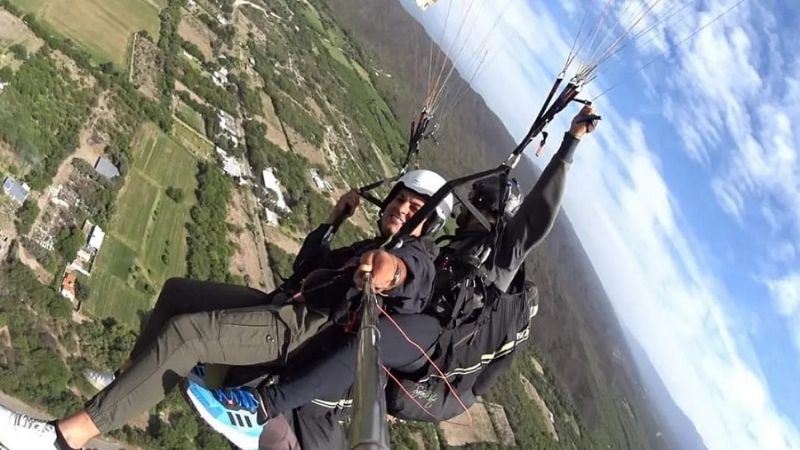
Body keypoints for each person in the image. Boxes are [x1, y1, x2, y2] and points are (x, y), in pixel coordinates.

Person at [185, 105, 600, 449]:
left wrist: (569, 144)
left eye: (480, 207)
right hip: (425, 338)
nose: (470, 212)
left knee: (376, 338)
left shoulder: (502, 258)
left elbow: (536, 219)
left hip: (439, 360)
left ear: (496, 217)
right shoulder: (454, 248)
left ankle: (258, 407)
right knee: (344, 320)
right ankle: (241, 369)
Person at [0, 169, 454, 450]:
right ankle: (128, 384)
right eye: (398, 199)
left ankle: (64, 438)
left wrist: (385, 271)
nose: (400, 209)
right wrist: (333, 221)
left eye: (413, 208)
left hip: (296, 332)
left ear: (428, 224)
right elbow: (305, 266)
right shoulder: (374, 242)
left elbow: (405, 279)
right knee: (178, 292)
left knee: (188, 334)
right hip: (281, 303)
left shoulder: (418, 259)